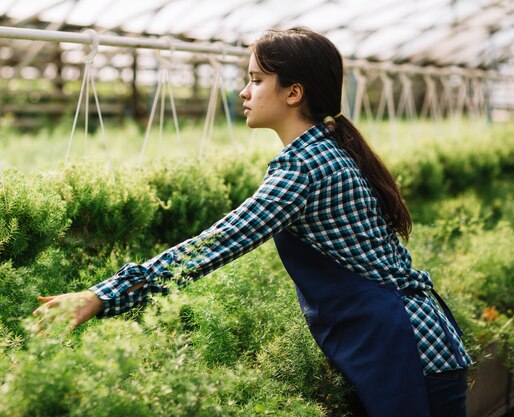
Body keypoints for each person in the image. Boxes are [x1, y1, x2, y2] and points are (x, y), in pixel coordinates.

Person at [33, 27, 472, 417]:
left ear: (293, 92)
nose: (244, 92)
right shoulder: (328, 147)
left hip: (408, 349)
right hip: (414, 339)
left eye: (256, 80)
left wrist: (102, 297)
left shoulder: (303, 166)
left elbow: (217, 244)